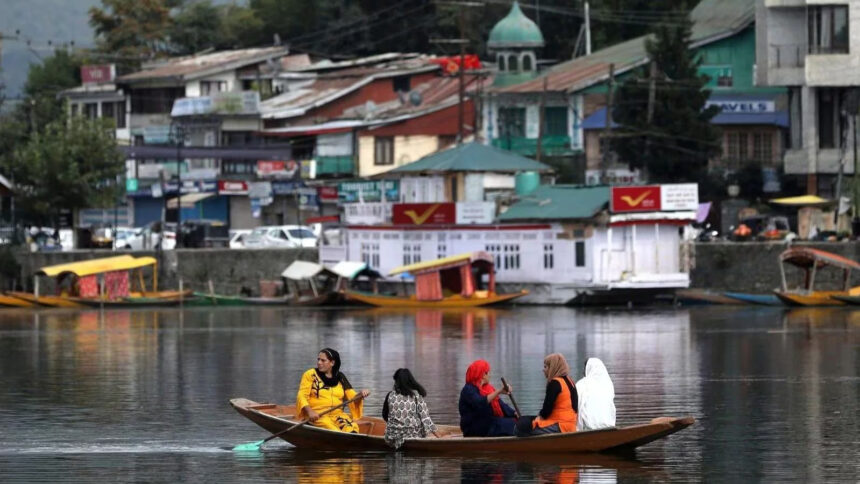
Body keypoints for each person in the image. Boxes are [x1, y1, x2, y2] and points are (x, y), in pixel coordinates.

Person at [296, 348, 370, 433]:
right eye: (318, 359)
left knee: (353, 428)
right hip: (318, 415)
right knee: (333, 430)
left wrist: (361, 394)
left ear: (332, 363)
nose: (319, 362)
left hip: (337, 415)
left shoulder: (340, 377)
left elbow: (352, 399)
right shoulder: (310, 374)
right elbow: (301, 395)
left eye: (323, 360)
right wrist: (310, 412)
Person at [519, 353, 578, 436]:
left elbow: (546, 411)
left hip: (560, 425)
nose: (543, 370)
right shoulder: (570, 381)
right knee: (525, 420)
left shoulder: (555, 383)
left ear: (552, 368)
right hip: (571, 425)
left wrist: (537, 419)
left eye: (545, 367)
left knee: (519, 428)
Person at [382, 368, 440, 449]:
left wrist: (397, 425)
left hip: (392, 437)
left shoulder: (390, 395)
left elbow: (385, 416)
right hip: (412, 434)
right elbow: (426, 419)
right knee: (420, 421)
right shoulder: (416, 395)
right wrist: (439, 437)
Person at [458, 359, 517, 437]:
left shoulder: (487, 389)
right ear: (483, 374)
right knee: (510, 425)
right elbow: (480, 403)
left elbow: (501, 405)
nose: (490, 375)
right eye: (488, 372)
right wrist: (498, 391)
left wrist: (514, 413)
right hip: (474, 427)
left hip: (489, 423)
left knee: (516, 421)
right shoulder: (468, 389)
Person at [576, 358, 616, 431]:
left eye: (584, 369)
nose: (582, 372)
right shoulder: (608, 385)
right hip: (609, 426)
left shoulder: (582, 384)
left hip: (588, 427)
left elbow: (576, 406)